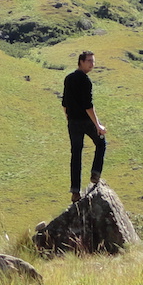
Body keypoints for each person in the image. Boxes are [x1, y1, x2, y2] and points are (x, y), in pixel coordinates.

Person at [61, 50, 106, 202]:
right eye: (89, 61)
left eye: (93, 61)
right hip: (85, 121)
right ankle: (95, 173)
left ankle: (75, 191)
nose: (92, 64)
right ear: (81, 62)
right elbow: (88, 106)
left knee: (76, 155)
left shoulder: (68, 78)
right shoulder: (85, 81)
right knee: (101, 142)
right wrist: (97, 124)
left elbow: (65, 103)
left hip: (73, 122)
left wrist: (69, 118)